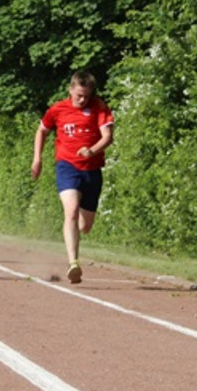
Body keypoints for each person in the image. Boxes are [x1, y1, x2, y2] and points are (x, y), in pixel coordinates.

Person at [31, 71, 115, 284]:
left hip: (92, 170)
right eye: (79, 95)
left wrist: (92, 150)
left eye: (86, 96)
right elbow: (42, 131)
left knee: (85, 226)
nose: (83, 100)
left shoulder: (99, 107)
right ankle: (73, 263)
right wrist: (37, 159)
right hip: (67, 166)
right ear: (70, 90)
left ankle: (72, 240)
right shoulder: (58, 109)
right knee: (71, 211)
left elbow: (108, 136)